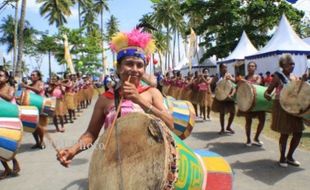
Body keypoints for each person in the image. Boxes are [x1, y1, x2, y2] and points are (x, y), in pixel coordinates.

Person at [57, 29, 174, 167]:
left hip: (149, 164)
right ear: (119, 67)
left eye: (140, 65)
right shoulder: (105, 98)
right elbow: (91, 134)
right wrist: (73, 150)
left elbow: (171, 124)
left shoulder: (152, 93)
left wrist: (140, 100)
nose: (135, 69)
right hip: (115, 164)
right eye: (129, 63)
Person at [264, 54, 307, 167]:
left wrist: (303, 81)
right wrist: (268, 95)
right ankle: (282, 157)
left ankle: (290, 156)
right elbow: (267, 92)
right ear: (283, 65)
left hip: (294, 107)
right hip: (282, 107)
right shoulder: (277, 76)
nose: (292, 66)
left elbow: (298, 91)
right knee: (285, 133)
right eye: (289, 64)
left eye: (293, 64)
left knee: (298, 132)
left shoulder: (293, 77)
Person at [0, 69, 20, 179]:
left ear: (7, 78)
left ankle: (14, 161)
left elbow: (9, 98)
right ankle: (7, 168)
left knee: (7, 144)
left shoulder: (10, 88)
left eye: (0, 76)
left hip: (10, 121)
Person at [239, 62, 265, 146]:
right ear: (247, 68)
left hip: (258, 102)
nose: (251, 67)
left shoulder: (258, 77)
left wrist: (245, 81)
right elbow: (239, 87)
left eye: (253, 66)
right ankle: (248, 139)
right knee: (248, 121)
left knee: (262, 120)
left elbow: (256, 84)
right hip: (248, 102)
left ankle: (256, 137)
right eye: (249, 66)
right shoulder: (244, 77)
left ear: (255, 68)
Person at [21, 70, 46, 149]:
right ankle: (37, 142)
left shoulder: (40, 83)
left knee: (39, 126)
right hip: (30, 108)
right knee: (32, 126)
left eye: (34, 75)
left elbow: (38, 90)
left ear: (38, 77)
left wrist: (26, 86)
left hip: (39, 107)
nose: (32, 76)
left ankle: (42, 141)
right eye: (31, 75)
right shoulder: (30, 84)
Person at [211, 63, 236, 134]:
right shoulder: (217, 76)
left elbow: (235, 84)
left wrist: (230, 78)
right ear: (220, 69)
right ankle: (222, 129)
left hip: (229, 97)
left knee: (233, 112)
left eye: (226, 67)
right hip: (221, 97)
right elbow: (212, 84)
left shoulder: (230, 75)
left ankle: (228, 126)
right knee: (222, 113)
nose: (225, 69)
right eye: (223, 67)